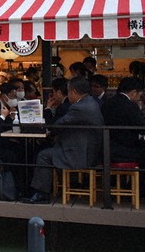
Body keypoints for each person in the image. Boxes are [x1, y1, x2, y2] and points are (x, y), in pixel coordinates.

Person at [23, 76, 104, 204]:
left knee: (44, 155)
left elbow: (60, 124)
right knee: (49, 151)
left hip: (81, 154)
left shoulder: (79, 107)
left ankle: (42, 194)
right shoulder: (91, 102)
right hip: (90, 150)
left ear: (73, 91)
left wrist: (49, 129)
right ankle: (58, 187)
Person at [102, 76, 145, 196]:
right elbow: (143, 128)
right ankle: (142, 189)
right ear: (134, 92)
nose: (139, 97)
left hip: (108, 148)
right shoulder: (130, 105)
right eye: (139, 94)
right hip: (125, 149)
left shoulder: (108, 103)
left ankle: (132, 186)